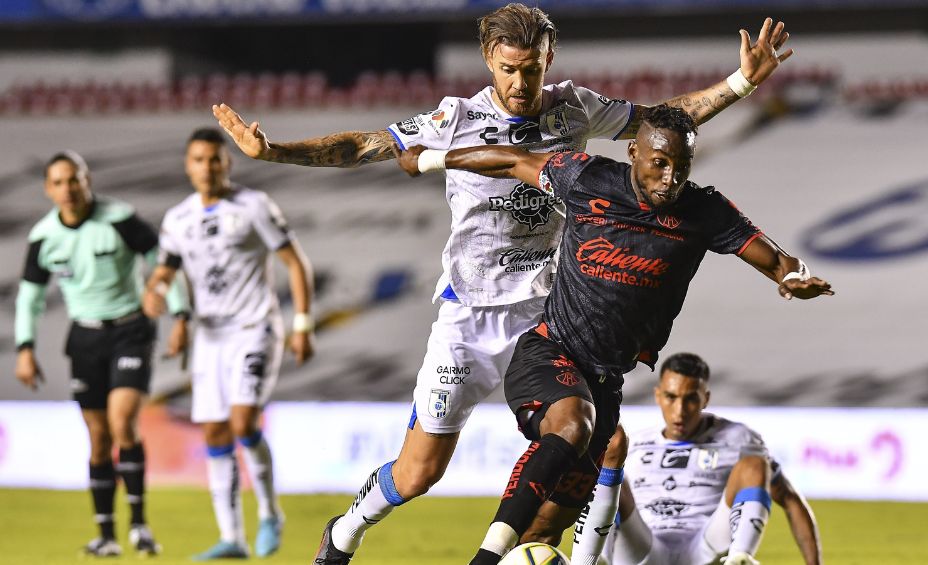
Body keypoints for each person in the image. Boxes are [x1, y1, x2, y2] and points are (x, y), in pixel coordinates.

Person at [213, 5, 793, 563]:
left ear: (549, 57)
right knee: (419, 473)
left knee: (585, 452)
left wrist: (741, 82)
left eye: (532, 68)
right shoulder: (455, 120)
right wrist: (276, 152)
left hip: (553, 315)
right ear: (489, 59)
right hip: (470, 314)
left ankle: (510, 554)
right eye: (509, 69)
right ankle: (344, 531)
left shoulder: (576, 109)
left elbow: (662, 127)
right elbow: (365, 145)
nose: (520, 82)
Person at [394, 103, 833, 565]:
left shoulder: (704, 210)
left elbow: (780, 260)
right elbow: (510, 160)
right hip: (549, 351)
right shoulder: (587, 179)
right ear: (633, 153)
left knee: (546, 528)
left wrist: (792, 278)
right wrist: (428, 159)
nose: (670, 178)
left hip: (606, 381)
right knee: (570, 424)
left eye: (681, 167)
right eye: (659, 163)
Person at [141, 128, 315, 560]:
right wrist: (158, 293)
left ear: (228, 163)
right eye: (199, 159)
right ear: (188, 165)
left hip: (254, 328)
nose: (208, 167)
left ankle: (271, 513)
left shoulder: (253, 206)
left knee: (243, 424)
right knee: (216, 431)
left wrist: (303, 323)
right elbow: (165, 270)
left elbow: (295, 263)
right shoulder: (177, 219)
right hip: (210, 337)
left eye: (215, 159)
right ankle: (232, 537)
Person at [14, 150, 190, 557]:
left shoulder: (119, 219)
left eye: (74, 179)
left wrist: (179, 313)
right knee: (97, 437)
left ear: (87, 180)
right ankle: (106, 535)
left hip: (131, 330)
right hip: (85, 338)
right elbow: (30, 299)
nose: (68, 189)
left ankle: (141, 526)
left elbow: (163, 261)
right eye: (58, 182)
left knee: (122, 421)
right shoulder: (44, 237)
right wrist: (25, 348)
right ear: (48, 189)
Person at [593, 353, 823, 565]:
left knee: (754, 464)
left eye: (691, 398)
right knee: (610, 477)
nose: (680, 410)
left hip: (705, 548)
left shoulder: (739, 438)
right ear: (658, 396)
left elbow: (791, 500)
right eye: (671, 397)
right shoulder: (634, 444)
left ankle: (740, 558)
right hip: (641, 547)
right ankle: (596, 559)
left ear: (706, 399)